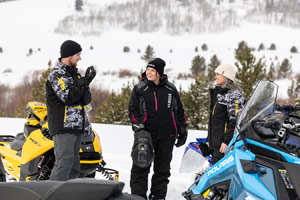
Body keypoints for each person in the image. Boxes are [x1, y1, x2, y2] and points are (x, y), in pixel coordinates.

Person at [129, 58, 188, 200]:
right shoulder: (140, 88)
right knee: (140, 167)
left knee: (162, 171)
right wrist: (139, 128)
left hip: (167, 135)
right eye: (147, 70)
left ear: (159, 73)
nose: (148, 73)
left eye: (152, 70)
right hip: (145, 135)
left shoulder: (170, 89)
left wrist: (182, 129)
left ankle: (158, 197)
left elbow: (179, 110)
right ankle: (138, 197)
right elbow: (133, 110)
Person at [46, 40, 96, 181]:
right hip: (63, 126)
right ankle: (51, 194)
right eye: (78, 54)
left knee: (74, 167)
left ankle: (68, 194)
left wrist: (85, 82)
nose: (80, 58)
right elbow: (67, 97)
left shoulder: (74, 74)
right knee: (64, 163)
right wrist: (80, 85)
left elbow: (86, 100)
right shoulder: (57, 74)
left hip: (76, 127)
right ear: (69, 55)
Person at [205, 64, 245, 164]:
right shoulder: (219, 94)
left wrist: (226, 141)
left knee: (220, 178)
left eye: (218, 74)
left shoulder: (233, 95)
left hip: (224, 145)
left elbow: (235, 120)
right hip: (216, 143)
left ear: (226, 76)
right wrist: (208, 139)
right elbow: (214, 120)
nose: (215, 77)